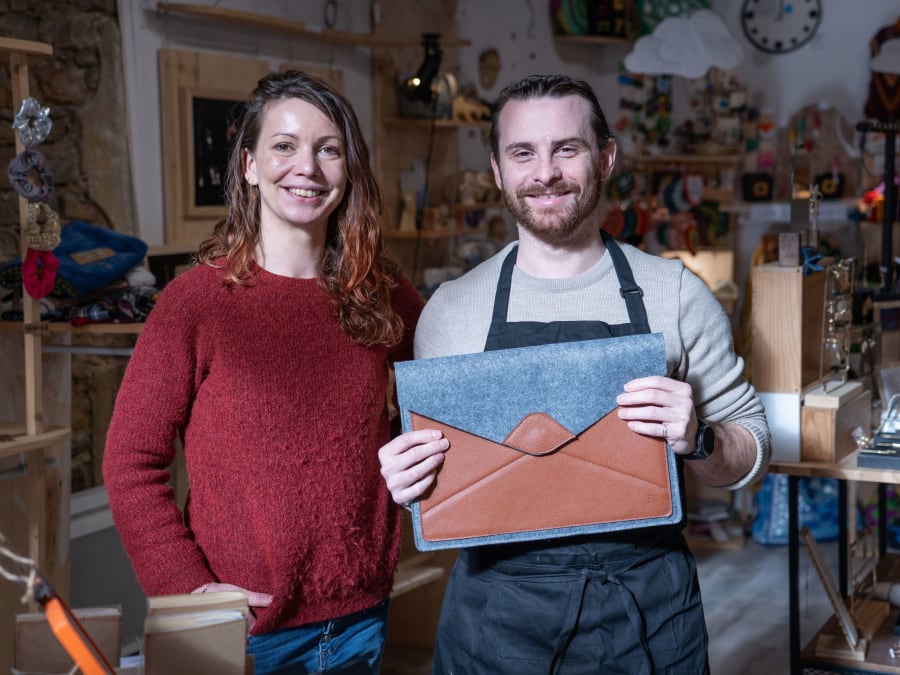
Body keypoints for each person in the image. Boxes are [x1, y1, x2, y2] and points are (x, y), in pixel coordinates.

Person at [378, 74, 771, 674]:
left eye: (567, 148)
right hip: (496, 621)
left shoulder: (676, 295)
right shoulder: (451, 313)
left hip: (646, 612)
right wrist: (409, 485)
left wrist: (702, 439)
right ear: (497, 169)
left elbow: (751, 451)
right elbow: (439, 491)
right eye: (523, 153)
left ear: (605, 157)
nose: (545, 172)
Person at [103, 70, 424, 675]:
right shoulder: (195, 303)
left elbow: (449, 397)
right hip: (244, 631)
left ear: (348, 169)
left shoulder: (380, 292)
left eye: (328, 149)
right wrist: (185, 588)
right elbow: (129, 462)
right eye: (285, 146)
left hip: (362, 618)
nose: (307, 166)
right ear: (249, 166)